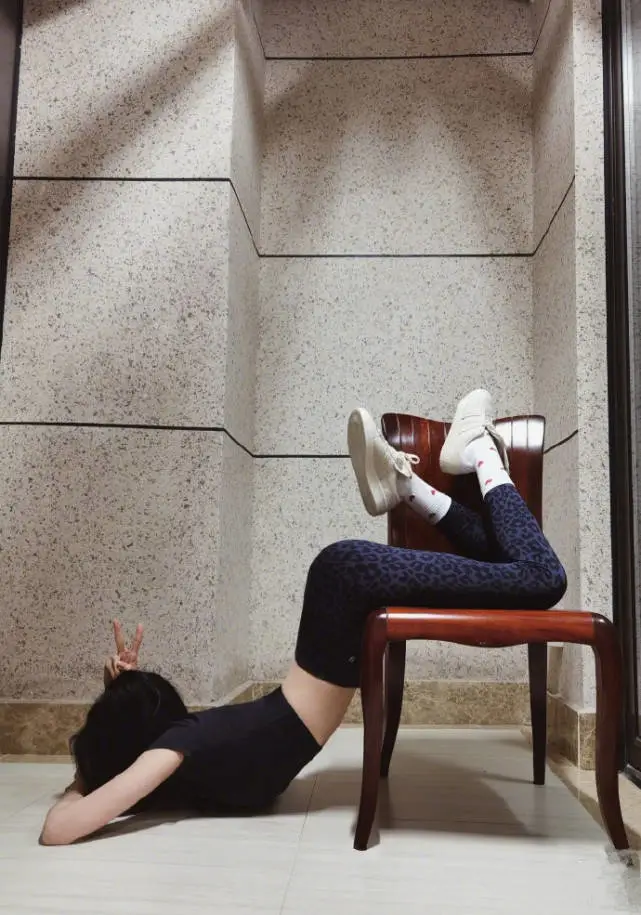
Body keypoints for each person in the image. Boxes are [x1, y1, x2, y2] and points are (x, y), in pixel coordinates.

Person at [40, 389, 566, 845]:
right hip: (341, 583)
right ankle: (408, 486)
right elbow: (105, 786)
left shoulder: (173, 749)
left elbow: (59, 829)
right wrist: (119, 705)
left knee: (542, 577)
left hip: (347, 580)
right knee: (508, 568)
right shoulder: (180, 744)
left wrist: (85, 779)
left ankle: (478, 451)